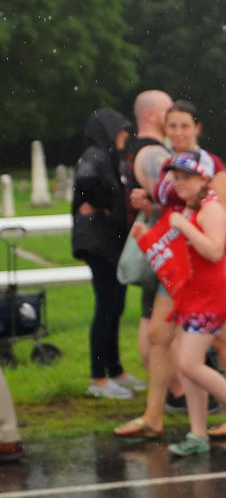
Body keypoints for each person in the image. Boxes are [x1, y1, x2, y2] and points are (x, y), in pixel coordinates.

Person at [116, 100, 226, 440]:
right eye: (171, 126)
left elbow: (222, 212)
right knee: (159, 335)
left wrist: (215, 244)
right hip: (175, 263)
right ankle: (153, 416)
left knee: (225, 337)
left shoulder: (209, 163)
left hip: (209, 261)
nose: (177, 133)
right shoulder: (169, 167)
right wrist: (150, 206)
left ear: (197, 128)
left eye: (184, 126)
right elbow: (176, 207)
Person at [130, 150, 226, 456]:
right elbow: (177, 254)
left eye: (187, 177)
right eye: (176, 178)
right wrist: (145, 236)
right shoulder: (191, 209)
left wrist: (183, 225)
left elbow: (215, 252)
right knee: (189, 366)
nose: (180, 183)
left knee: (188, 363)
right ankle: (198, 433)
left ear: (203, 177)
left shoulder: (210, 210)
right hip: (191, 298)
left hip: (209, 300)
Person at [72, 108, 139, 400]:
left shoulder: (109, 157)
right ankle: (98, 378)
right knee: (107, 306)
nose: (126, 135)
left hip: (109, 243)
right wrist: (103, 206)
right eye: (122, 129)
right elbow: (86, 183)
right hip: (98, 243)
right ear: (110, 131)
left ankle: (116, 371)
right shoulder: (95, 156)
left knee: (115, 306)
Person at [123, 89, 172, 387]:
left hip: (155, 242)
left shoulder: (135, 149)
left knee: (149, 317)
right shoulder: (153, 154)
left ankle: (166, 389)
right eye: (168, 111)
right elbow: (171, 200)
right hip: (163, 245)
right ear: (151, 115)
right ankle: (174, 388)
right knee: (158, 323)